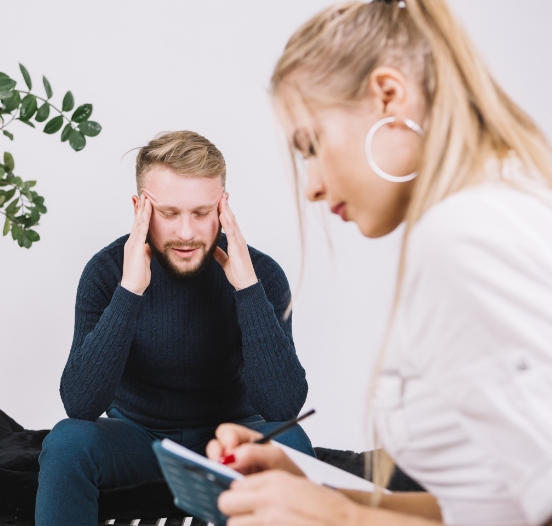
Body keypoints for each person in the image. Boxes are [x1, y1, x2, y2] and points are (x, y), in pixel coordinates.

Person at [205, 1, 552, 525]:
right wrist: (316, 488)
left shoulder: (466, 234)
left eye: (312, 145)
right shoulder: (498, 203)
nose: (313, 186)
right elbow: (491, 511)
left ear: (389, 97)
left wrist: (342, 521)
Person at [36, 131, 314, 526]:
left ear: (223, 207)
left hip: (230, 441)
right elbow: (80, 405)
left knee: (290, 441)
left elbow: (282, 408)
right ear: (139, 209)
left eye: (202, 213)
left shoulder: (261, 274)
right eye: (168, 213)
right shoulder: (106, 272)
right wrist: (130, 289)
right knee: (66, 441)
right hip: (138, 440)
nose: (186, 232)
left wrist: (247, 290)